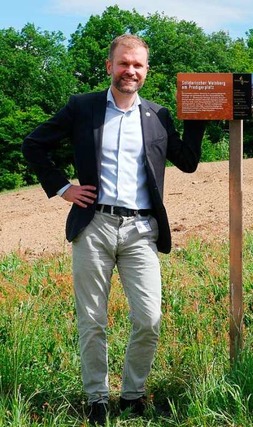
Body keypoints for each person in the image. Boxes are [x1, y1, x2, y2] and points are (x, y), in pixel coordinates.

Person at [22, 34, 208, 426]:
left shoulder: (157, 116)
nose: (131, 71)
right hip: (95, 225)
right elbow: (34, 144)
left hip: (141, 228)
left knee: (149, 317)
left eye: (138, 65)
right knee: (92, 318)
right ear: (110, 66)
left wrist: (199, 118)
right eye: (124, 63)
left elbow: (187, 161)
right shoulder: (83, 107)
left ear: (146, 71)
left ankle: (132, 395)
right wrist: (62, 187)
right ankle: (96, 400)